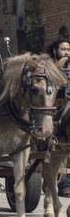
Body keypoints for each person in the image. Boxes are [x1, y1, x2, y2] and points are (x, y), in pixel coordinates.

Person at [47, 38, 70, 198]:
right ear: (55, 51)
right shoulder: (47, 66)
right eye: (63, 49)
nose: (66, 53)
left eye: (68, 50)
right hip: (49, 107)